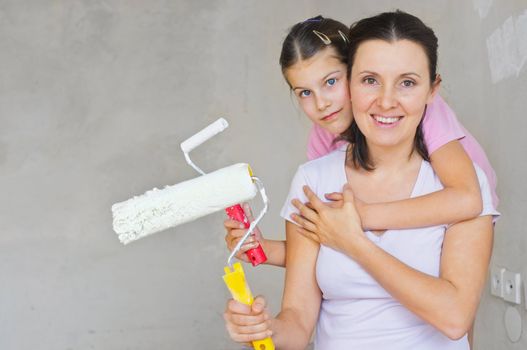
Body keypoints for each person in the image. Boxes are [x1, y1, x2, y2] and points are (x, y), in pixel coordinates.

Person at [223, 11, 499, 349]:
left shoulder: (457, 169)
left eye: (408, 82)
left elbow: (455, 316)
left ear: (431, 90)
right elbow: (297, 317)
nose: (386, 100)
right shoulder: (316, 169)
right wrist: (263, 327)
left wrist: (355, 235)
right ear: (354, 83)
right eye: (370, 80)